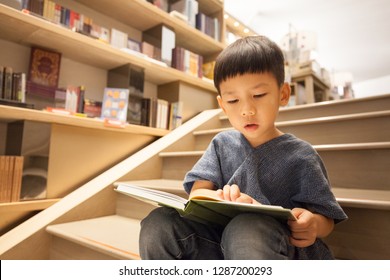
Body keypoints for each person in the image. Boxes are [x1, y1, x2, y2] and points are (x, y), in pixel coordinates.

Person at [139, 35, 347, 259]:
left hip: (274, 247)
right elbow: (198, 194)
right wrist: (220, 197)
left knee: (246, 230)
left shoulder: (301, 155)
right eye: (233, 101)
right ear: (222, 105)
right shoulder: (221, 145)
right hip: (220, 243)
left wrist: (312, 224)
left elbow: (326, 217)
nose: (247, 110)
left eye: (258, 95)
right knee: (158, 224)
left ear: (283, 94)